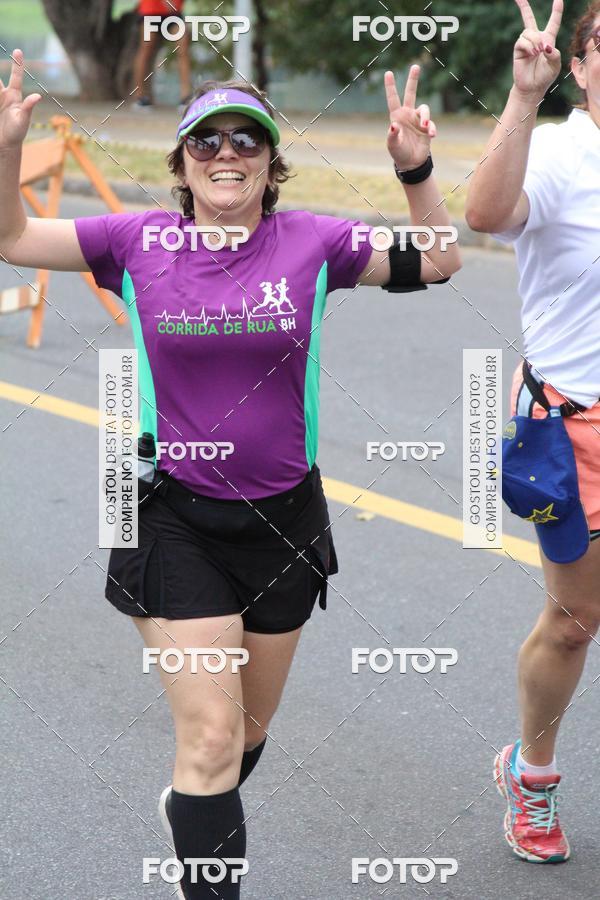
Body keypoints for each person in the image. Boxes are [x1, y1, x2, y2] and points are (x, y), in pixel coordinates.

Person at [0, 50, 460, 897]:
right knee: (210, 739)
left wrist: (415, 170)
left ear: (270, 164)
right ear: (179, 164)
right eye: (204, 140)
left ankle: (192, 809)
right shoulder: (135, 240)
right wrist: (4, 152)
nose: (225, 152)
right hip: (165, 507)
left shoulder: (314, 241)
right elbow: (12, 237)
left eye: (246, 139)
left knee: (244, 735)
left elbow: (437, 261)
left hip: (285, 518)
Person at [466, 0, 600, 865]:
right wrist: (522, 99)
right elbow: (481, 213)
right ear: (585, 65)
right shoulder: (559, 151)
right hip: (577, 426)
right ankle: (533, 773)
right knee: (573, 621)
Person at [132, 0, 192, 110]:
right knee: (146, 47)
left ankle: (186, 97)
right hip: (150, 10)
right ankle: (139, 96)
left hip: (174, 12)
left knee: (183, 48)